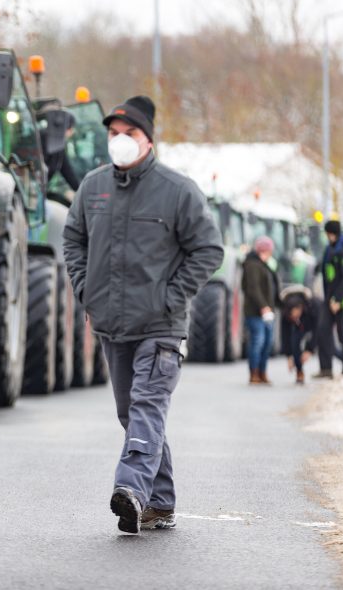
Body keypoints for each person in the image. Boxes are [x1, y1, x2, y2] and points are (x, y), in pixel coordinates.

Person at [63, 95, 223, 535]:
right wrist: (84, 289)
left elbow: (208, 249)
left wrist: (173, 296)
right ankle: (161, 501)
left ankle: (131, 490)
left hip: (161, 326)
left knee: (146, 407)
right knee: (132, 415)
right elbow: (73, 240)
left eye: (128, 134)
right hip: (113, 325)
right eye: (113, 134)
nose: (119, 141)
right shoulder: (93, 187)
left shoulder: (177, 190)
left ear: (147, 140)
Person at [241, 236, 279, 385]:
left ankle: (263, 372)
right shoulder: (252, 265)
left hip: (267, 312)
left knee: (267, 342)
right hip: (255, 312)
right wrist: (263, 306)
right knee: (258, 341)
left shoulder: (265, 265)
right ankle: (254, 372)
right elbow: (253, 289)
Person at [315, 220, 343, 378]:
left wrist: (337, 299)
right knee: (322, 329)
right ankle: (325, 368)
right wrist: (330, 298)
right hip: (330, 297)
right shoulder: (329, 249)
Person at [279, 286, 319, 385]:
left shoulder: (313, 307)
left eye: (296, 314)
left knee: (328, 345)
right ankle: (299, 371)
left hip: (311, 323)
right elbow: (285, 335)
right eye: (292, 315)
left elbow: (317, 331)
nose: (295, 316)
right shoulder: (285, 314)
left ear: (300, 308)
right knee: (294, 342)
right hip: (298, 326)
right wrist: (288, 356)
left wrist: (309, 350)